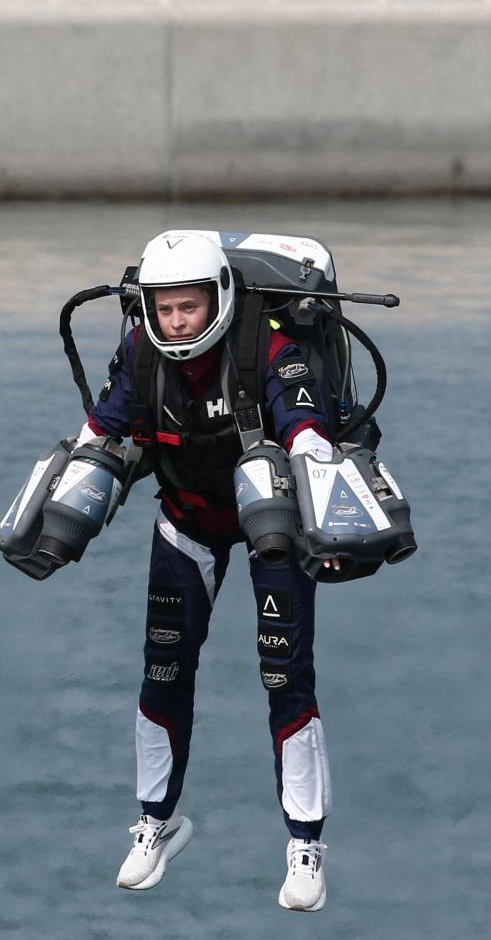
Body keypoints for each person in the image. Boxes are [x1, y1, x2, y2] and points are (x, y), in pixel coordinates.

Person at [81, 231, 338, 910]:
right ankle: (155, 825)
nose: (175, 321)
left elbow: (306, 427)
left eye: (188, 307)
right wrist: (62, 486)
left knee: (285, 673)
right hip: (186, 521)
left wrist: (330, 489)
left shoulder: (267, 348)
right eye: (163, 309)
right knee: (161, 670)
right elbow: (102, 427)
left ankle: (305, 845)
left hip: (272, 529)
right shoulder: (140, 353)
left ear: (218, 298)